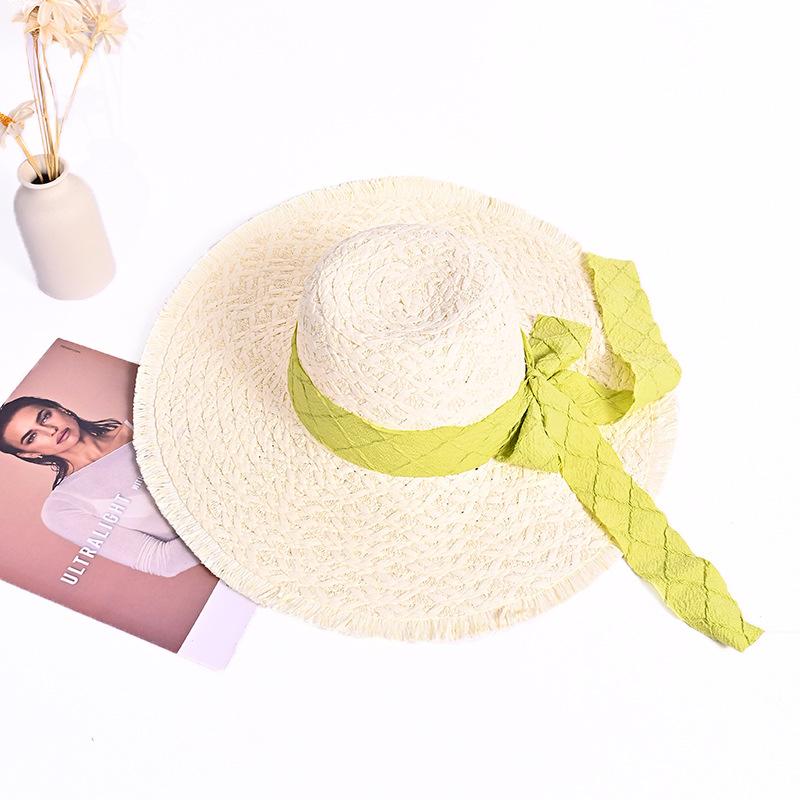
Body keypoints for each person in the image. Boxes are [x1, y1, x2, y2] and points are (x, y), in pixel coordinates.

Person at [0, 396, 200, 577]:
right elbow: (162, 562)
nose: (50, 430)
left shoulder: (145, 425)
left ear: (61, 409)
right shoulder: (62, 507)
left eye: (45, 417)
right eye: (32, 437)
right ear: (30, 454)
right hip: (216, 562)